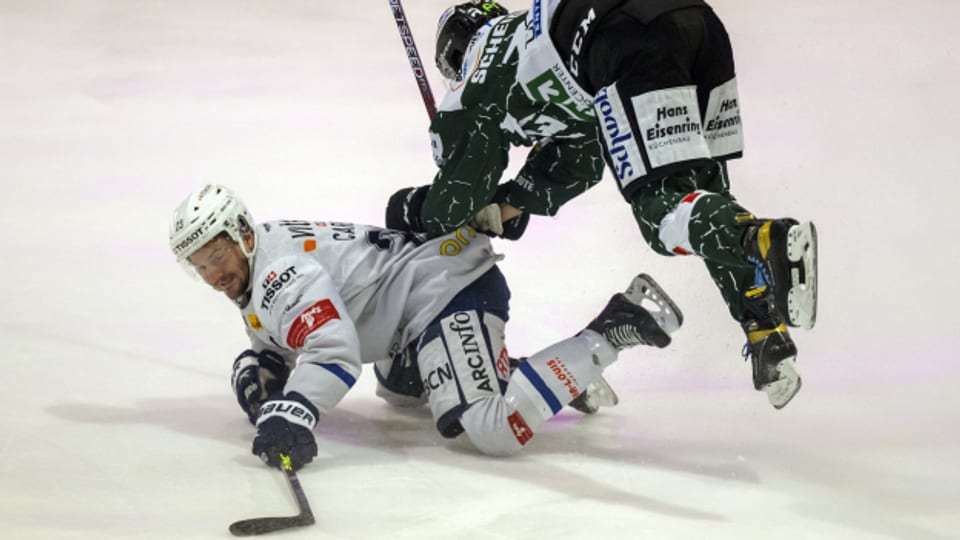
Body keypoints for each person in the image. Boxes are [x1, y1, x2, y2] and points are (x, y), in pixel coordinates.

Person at [385, 0, 817, 409]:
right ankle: (764, 328)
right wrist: (506, 207)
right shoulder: (528, 44)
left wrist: (411, 206)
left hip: (623, 35)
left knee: (663, 213)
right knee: (704, 194)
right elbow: (582, 160)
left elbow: (452, 205)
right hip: (697, 23)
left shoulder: (472, 84)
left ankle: (766, 239)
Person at [169, 184, 682, 470]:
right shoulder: (258, 259)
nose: (214, 275)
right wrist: (261, 366)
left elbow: (332, 351)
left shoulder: (280, 272)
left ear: (240, 234)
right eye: (201, 265)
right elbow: (283, 331)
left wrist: (294, 412)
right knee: (400, 389)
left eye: (216, 256)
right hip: (409, 311)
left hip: (447, 290)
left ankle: (613, 328)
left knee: (492, 428)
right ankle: (547, 375)